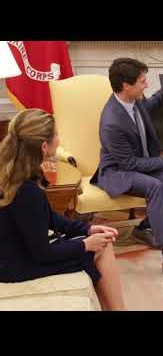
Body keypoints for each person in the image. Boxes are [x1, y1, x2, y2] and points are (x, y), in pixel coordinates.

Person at [0, 109, 126, 311]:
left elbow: (50, 219)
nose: (59, 140)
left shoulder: (17, 172)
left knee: (99, 243)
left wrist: (88, 230)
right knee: (102, 248)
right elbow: (43, 253)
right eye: (57, 135)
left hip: (16, 253)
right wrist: (86, 244)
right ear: (44, 146)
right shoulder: (27, 191)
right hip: (15, 266)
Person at [90, 58, 163, 286]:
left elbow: (147, 106)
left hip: (143, 163)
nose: (146, 86)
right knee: (156, 186)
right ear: (126, 85)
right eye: (142, 82)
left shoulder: (133, 100)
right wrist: (162, 160)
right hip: (118, 171)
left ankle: (147, 227)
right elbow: (128, 164)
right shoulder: (111, 122)